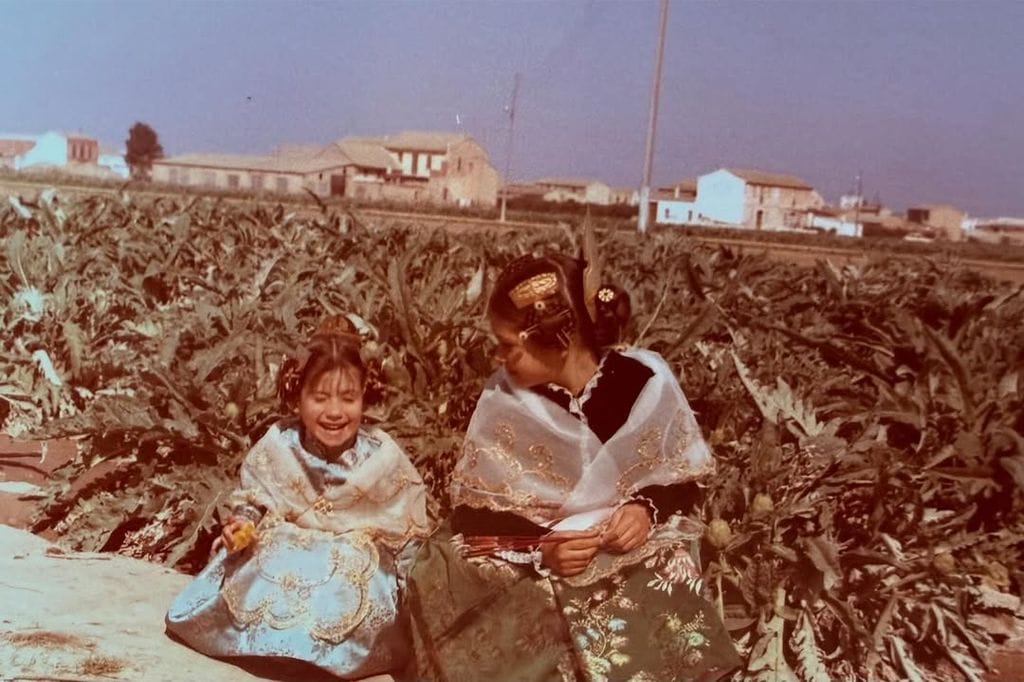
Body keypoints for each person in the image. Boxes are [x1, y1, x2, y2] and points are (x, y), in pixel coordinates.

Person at [406, 244, 741, 681]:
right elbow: (480, 512)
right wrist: (544, 549)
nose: (500, 359)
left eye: (507, 346)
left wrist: (645, 509)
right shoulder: (504, 396)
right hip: (537, 542)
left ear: (558, 341)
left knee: (664, 562)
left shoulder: (644, 380)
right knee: (458, 566)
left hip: (622, 540)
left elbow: (680, 474)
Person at [166, 315, 432, 680]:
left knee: (350, 576)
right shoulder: (280, 444)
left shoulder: (381, 457)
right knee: (269, 558)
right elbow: (255, 498)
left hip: (352, 558)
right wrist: (242, 524)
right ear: (297, 397)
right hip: (286, 548)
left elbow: (407, 528)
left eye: (348, 398)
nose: (335, 412)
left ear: (365, 397)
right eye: (319, 398)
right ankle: (274, 645)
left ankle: (324, 654)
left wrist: (416, 593)